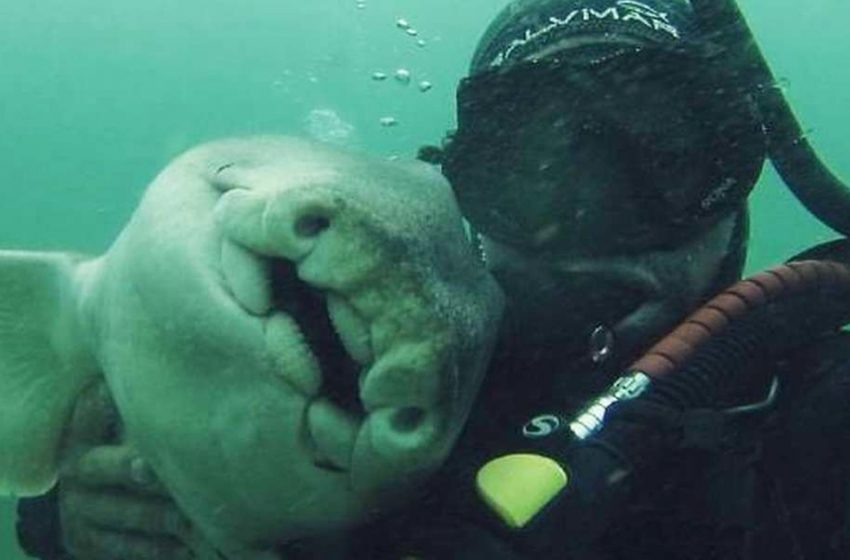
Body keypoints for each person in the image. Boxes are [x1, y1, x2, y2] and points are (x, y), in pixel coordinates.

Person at [16, 0, 850, 558]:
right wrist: (92, 508)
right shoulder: (362, 360)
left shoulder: (814, 399)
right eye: (544, 160)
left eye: (673, 156)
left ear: (735, 204)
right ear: (467, 185)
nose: (605, 217)